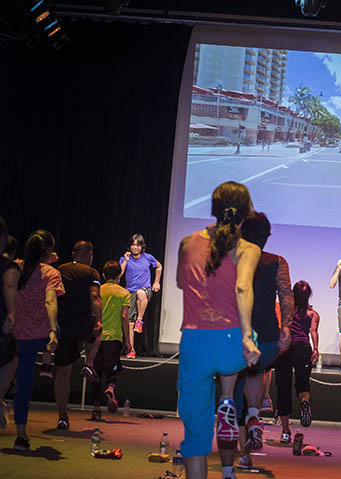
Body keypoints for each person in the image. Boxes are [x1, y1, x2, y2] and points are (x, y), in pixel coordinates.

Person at [176, 181, 261, 479]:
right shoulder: (248, 249)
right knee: (247, 343)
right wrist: (248, 338)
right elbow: (243, 287)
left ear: (214, 209)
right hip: (231, 346)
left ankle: (221, 403)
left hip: (194, 343)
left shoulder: (186, 243)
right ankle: (227, 396)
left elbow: (180, 282)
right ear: (246, 212)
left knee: (195, 439)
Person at [218, 212, 293, 471]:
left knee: (231, 394)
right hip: (268, 339)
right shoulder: (278, 262)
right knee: (256, 371)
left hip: (235, 337)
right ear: (267, 236)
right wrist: (286, 328)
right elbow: (286, 295)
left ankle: (241, 454)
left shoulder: (230, 259)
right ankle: (253, 416)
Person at [12, 230, 63, 450]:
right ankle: (47, 362)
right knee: (24, 386)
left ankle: (20, 433)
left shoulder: (15, 267)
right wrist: (52, 331)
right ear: (49, 251)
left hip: (13, 335)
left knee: (17, 383)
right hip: (37, 337)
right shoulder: (51, 273)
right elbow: (50, 301)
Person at [54, 241, 103, 427]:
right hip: (83, 321)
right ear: (90, 254)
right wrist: (99, 320)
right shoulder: (91, 272)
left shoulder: (60, 269)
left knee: (63, 373)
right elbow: (95, 296)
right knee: (97, 334)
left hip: (63, 323)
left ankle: (62, 416)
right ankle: (89, 363)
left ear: (74, 253)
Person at [275, 281, 320, 445]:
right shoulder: (312, 314)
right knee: (303, 385)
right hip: (303, 349)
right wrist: (316, 350)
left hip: (286, 349)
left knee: (283, 388)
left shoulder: (286, 311)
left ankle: (285, 432)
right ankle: (305, 402)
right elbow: (313, 332)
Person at [90, 260, 131, 420]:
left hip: (97, 336)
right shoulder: (123, 293)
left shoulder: (98, 290)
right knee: (113, 369)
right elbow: (124, 316)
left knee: (96, 372)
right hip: (114, 337)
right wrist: (128, 341)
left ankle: (95, 409)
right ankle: (111, 388)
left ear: (103, 275)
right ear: (119, 275)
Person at [119, 233, 162, 358]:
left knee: (140, 293)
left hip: (145, 289)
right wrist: (125, 261)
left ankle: (140, 319)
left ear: (142, 246)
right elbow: (119, 274)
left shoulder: (148, 257)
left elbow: (159, 266)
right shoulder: (125, 259)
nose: (135, 247)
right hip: (130, 291)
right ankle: (130, 349)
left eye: (138, 245)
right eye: (133, 245)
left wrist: (156, 282)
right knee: (129, 323)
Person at [0, 218, 20, 429]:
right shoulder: (8, 266)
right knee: (10, 360)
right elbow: (9, 285)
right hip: (2, 320)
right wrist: (12, 313)